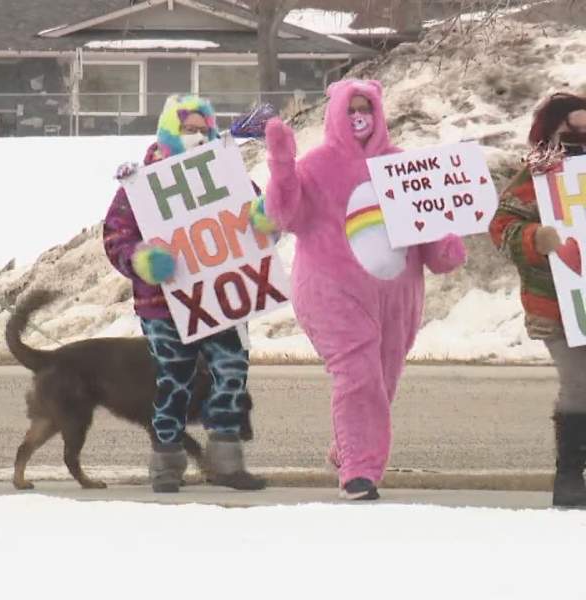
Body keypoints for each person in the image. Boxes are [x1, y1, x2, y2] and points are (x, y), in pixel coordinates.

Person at [262, 80, 467, 500]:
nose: (359, 117)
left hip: (396, 298)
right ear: (336, 112)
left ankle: (350, 446)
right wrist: (282, 164)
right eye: (351, 108)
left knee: (381, 380)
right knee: (358, 374)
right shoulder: (317, 166)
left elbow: (432, 244)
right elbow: (283, 215)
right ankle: (359, 472)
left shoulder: (402, 166)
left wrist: (447, 244)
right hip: (331, 290)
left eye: (367, 108)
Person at [103, 94, 267, 493]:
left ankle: (227, 462)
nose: (195, 137)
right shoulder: (140, 184)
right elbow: (116, 236)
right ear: (169, 133)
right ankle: (166, 464)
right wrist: (142, 260)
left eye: (202, 130)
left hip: (222, 297)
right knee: (173, 381)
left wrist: (266, 220)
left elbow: (253, 219)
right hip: (162, 305)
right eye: (187, 130)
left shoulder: (228, 174)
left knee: (231, 375)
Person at [489, 92, 586, 508]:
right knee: (579, 386)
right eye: (571, 131)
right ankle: (569, 476)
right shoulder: (536, 176)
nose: (580, 138)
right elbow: (502, 225)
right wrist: (536, 239)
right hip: (558, 304)